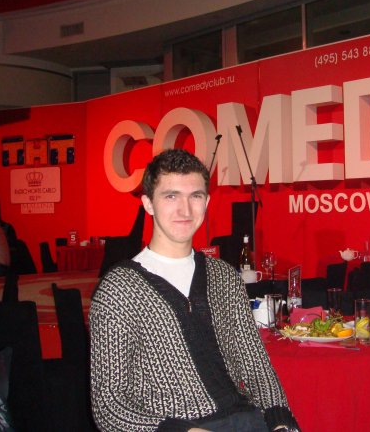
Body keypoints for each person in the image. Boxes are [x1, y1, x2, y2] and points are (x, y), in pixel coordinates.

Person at [90, 149, 299, 432]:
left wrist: (280, 420)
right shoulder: (119, 289)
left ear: (207, 201)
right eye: (171, 196)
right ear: (148, 203)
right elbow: (109, 406)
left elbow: (255, 366)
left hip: (243, 419)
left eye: (195, 196)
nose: (185, 210)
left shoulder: (224, 277)